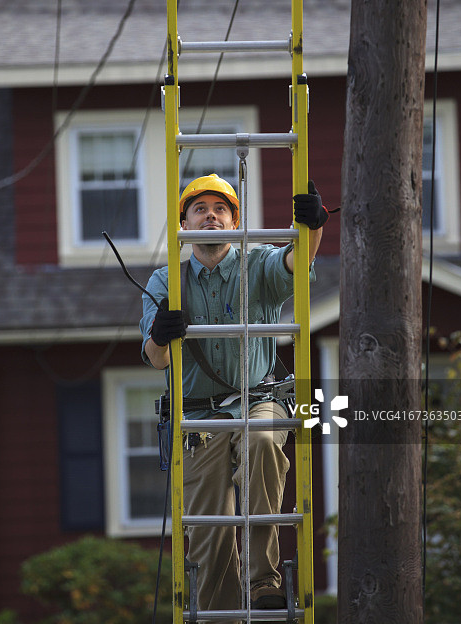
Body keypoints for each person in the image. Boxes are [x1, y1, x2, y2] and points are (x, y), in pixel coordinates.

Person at [140, 173, 328, 615]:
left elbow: (295, 262)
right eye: (200, 209)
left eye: (220, 209)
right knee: (211, 532)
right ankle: (219, 609)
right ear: (184, 222)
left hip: (257, 397)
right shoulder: (166, 279)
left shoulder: (257, 263)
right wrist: (162, 335)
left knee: (263, 439)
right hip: (198, 418)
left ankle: (264, 582)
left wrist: (314, 226)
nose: (211, 216)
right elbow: (154, 358)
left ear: (234, 221)